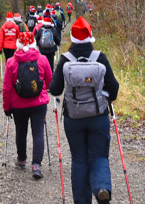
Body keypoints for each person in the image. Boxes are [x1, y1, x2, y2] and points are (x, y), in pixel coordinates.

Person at [49, 16, 119, 204]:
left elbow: (55, 90)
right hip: (98, 117)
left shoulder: (65, 60)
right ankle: (102, 187)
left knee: (79, 159)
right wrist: (104, 97)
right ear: (90, 38)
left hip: (74, 118)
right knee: (99, 155)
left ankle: (82, 201)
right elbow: (114, 88)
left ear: (72, 38)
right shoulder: (100, 58)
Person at [2, 31, 52, 179]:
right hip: (39, 103)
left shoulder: (11, 62)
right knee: (38, 133)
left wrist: (6, 107)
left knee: (21, 132)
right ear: (33, 44)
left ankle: (21, 160)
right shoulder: (42, 59)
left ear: (18, 44)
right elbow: (50, 82)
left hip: (18, 105)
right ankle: (36, 165)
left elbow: (6, 88)